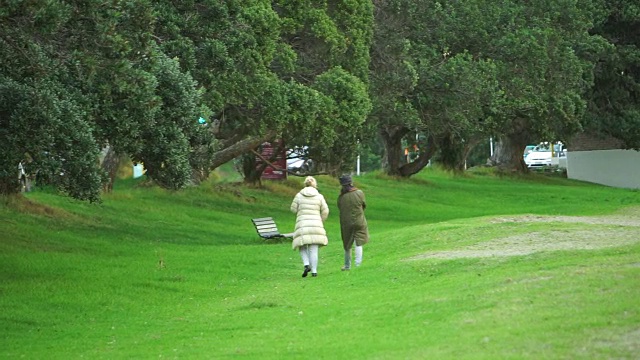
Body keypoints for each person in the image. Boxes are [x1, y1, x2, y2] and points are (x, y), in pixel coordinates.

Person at [290, 176, 329, 278]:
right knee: (313, 249)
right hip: (316, 224)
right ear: (314, 184)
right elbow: (325, 211)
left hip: (302, 224)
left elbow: (293, 209)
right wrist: (321, 220)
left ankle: (306, 264)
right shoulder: (319, 196)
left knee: (301, 245)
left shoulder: (299, 195)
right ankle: (314, 271)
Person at [337, 174, 369, 270]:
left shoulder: (341, 197)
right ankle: (358, 264)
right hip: (359, 220)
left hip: (346, 223)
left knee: (347, 244)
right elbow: (363, 205)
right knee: (358, 242)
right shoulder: (359, 193)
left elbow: (340, 208)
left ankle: (347, 265)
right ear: (351, 183)